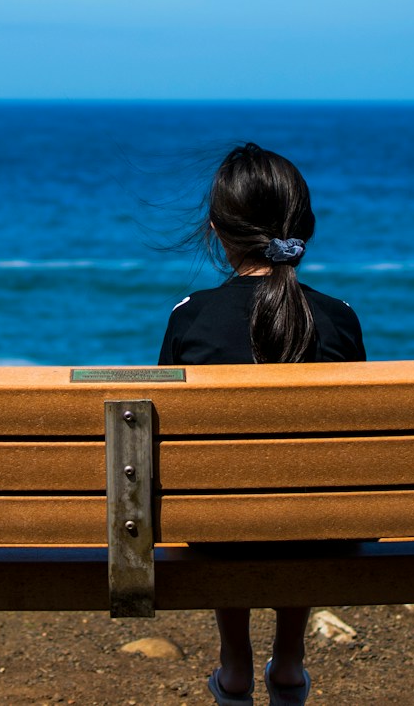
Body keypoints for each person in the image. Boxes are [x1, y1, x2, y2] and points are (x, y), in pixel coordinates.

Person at [158, 142, 365, 706]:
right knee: (303, 481)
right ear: (304, 227)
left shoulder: (190, 318)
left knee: (219, 484)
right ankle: (291, 664)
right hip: (319, 533)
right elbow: (345, 452)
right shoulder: (340, 321)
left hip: (218, 528)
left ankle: (234, 666)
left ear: (218, 230)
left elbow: (167, 446)